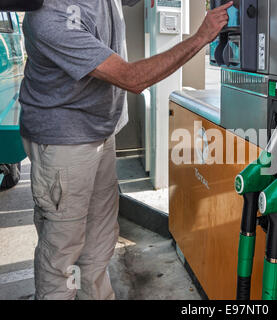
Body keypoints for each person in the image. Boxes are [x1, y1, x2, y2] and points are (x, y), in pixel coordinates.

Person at [19, 0, 233, 300]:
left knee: (99, 240)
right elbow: (132, 78)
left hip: (101, 134)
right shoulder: (50, 16)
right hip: (63, 145)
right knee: (63, 253)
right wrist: (201, 36)